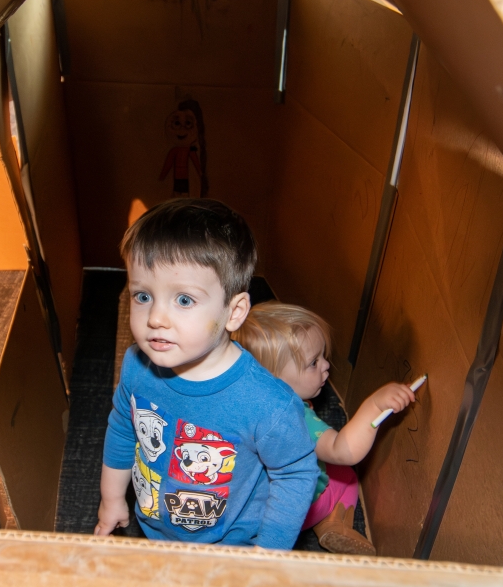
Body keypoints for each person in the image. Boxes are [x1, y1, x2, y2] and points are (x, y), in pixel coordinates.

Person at [95, 199, 318, 549]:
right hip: (153, 528)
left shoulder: (266, 404)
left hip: (229, 545)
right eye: (143, 295)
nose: (156, 318)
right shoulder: (137, 366)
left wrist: (270, 553)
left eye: (183, 300)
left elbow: (295, 473)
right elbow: (123, 426)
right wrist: (111, 499)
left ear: (234, 311)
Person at [235, 302, 418, 555]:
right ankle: (331, 521)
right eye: (313, 362)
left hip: (245, 509)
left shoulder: (238, 405)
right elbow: (343, 450)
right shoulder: (293, 417)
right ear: (275, 379)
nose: (326, 366)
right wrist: (375, 405)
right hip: (291, 513)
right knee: (345, 476)